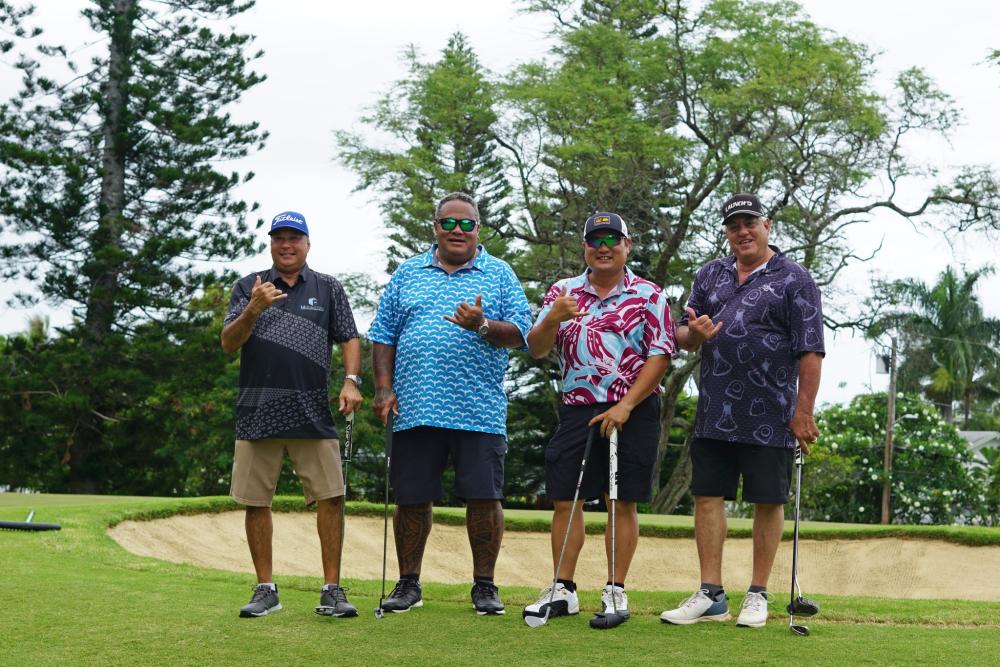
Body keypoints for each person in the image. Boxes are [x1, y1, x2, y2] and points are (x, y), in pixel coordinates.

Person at [659, 193, 824, 628]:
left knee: (767, 500)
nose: (743, 232)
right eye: (734, 226)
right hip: (715, 409)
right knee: (707, 496)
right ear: (727, 233)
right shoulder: (710, 274)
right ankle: (711, 595)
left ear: (767, 225)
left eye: (750, 223)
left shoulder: (795, 278)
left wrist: (804, 412)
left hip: (772, 412)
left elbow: (810, 350)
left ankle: (758, 593)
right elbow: (681, 335)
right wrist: (694, 335)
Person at [368, 192, 532, 616]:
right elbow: (383, 334)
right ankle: (408, 584)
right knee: (412, 498)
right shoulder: (407, 273)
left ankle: (485, 586)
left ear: (478, 229)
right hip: (415, 407)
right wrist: (383, 388)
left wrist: (483, 325)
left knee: (484, 498)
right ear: (435, 227)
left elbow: (523, 334)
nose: (458, 231)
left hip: (478, 410)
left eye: (467, 224)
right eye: (449, 223)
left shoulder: (499, 273)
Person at [522, 212, 676, 625]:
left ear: (627, 246)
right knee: (565, 497)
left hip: (633, 409)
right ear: (585, 247)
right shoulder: (563, 291)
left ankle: (615, 589)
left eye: (612, 240)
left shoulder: (649, 294)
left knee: (620, 499)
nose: (603, 248)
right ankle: (563, 589)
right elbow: (536, 348)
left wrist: (626, 405)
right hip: (578, 405)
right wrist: (552, 318)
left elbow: (660, 355)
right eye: (595, 241)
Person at [221, 210, 363, 619]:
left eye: (294, 238)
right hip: (257, 412)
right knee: (255, 501)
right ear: (271, 243)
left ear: (307, 244)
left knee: (331, 498)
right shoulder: (249, 286)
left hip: (312, 411)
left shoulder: (328, 287)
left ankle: (332, 589)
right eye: (279, 238)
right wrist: (252, 309)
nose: (287, 245)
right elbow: (229, 342)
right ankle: (265, 589)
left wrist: (351, 380)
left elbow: (349, 336)